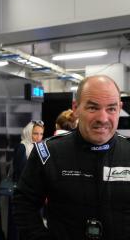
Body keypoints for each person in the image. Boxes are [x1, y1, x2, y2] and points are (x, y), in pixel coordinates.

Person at [13, 75, 130, 240]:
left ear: (119, 108)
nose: (103, 118)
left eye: (111, 108)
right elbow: (23, 204)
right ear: (76, 108)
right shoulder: (48, 153)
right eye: (93, 108)